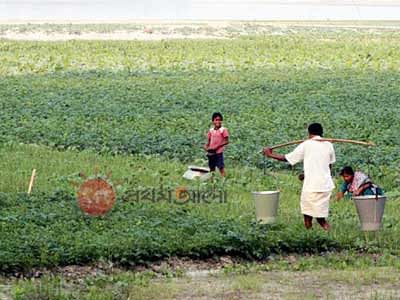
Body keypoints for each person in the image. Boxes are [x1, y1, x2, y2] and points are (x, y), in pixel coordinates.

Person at [263, 123, 335, 231]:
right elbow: (328, 166)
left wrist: (270, 154)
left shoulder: (307, 144)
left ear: (309, 133)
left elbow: (288, 158)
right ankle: (321, 233)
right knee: (320, 216)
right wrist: (307, 174)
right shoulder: (329, 144)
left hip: (312, 186)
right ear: (321, 133)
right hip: (325, 185)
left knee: (309, 215)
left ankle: (311, 235)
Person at [204, 112, 229, 177]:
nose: (218, 121)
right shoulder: (211, 130)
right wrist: (206, 147)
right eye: (216, 120)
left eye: (219, 120)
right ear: (213, 121)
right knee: (212, 169)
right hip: (211, 152)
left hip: (218, 152)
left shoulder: (223, 130)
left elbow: (226, 141)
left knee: (221, 168)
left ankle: (224, 181)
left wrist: (217, 146)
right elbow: (208, 141)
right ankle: (213, 183)